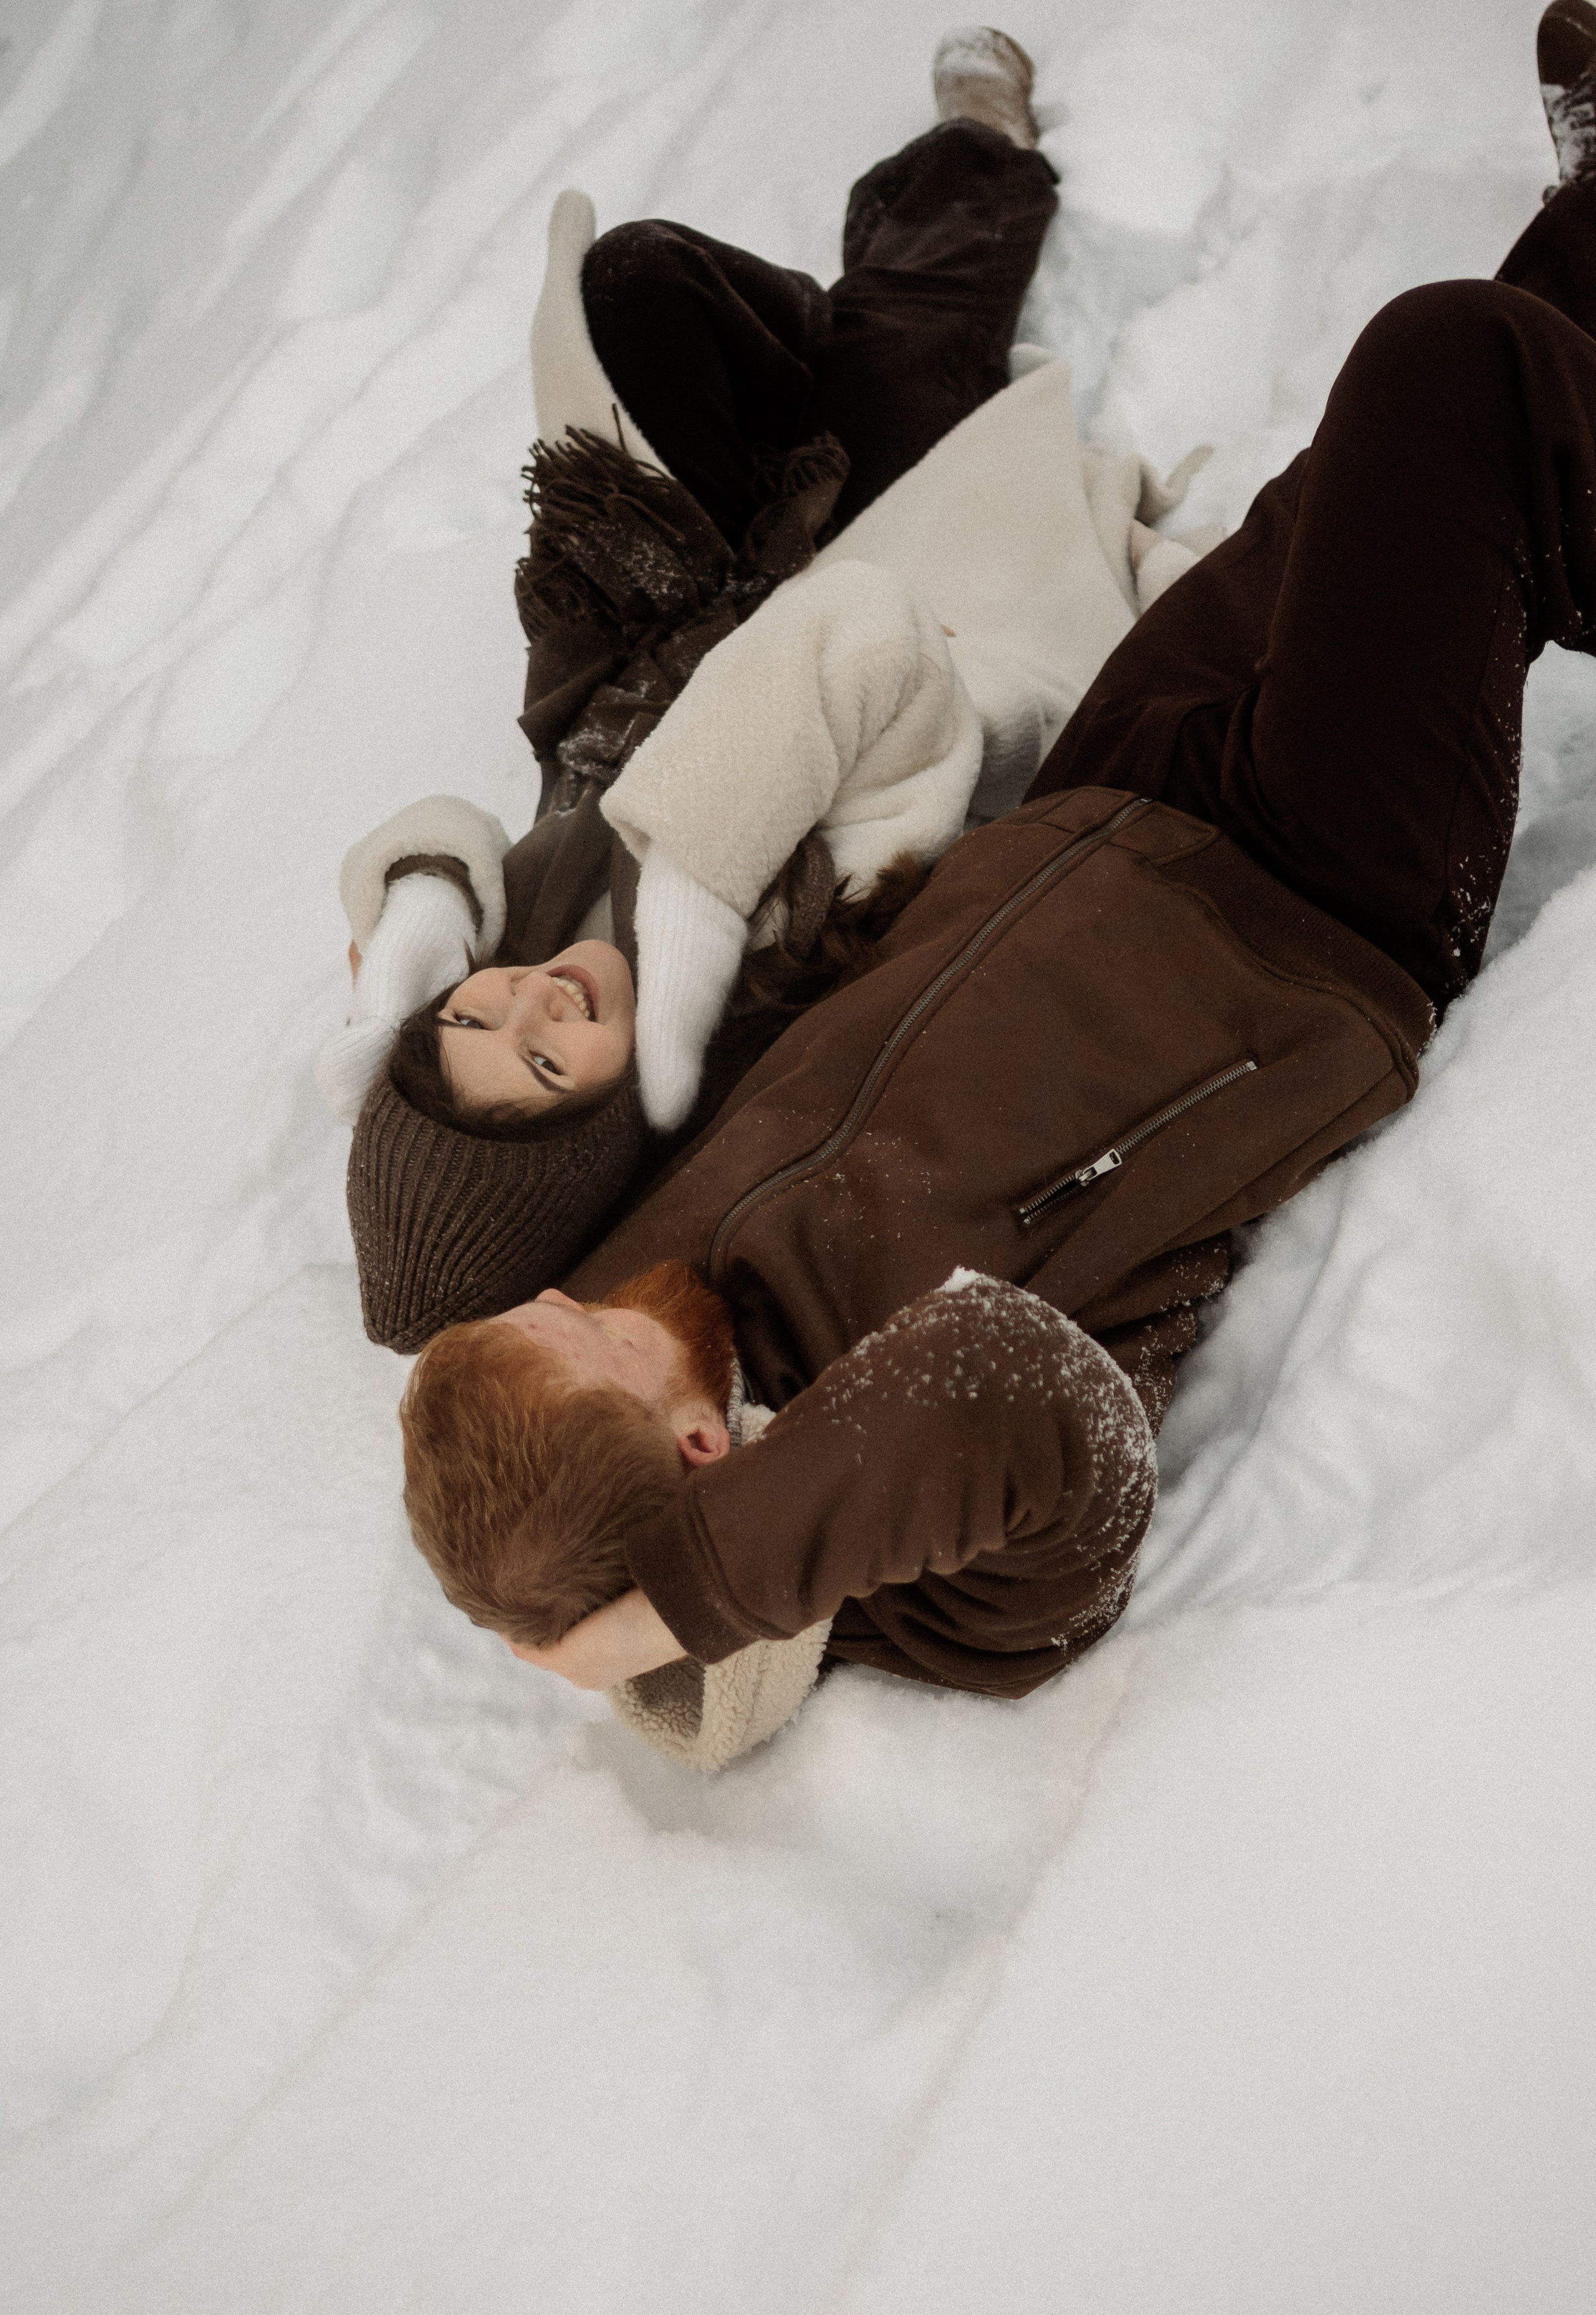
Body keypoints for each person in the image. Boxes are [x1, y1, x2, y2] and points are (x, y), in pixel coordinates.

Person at [395, 3, 1596, 1771]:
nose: (578, 1285)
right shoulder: (950, 1571)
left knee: (1399, 456)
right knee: (1455, 377)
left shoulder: (641, 1304)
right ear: (711, 1468)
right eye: (570, 1334)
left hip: (1113, 790)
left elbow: (429, 1197)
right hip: (1317, 911)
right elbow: (1032, 1414)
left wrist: (415, 918)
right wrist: (704, 1591)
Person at [318, 28, 1214, 1352]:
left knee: (633, 290)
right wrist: (698, 867)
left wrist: (417, 911)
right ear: (602, 1127)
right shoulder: (792, 950)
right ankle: (964, 181)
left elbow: (450, 834)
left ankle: (839, 350)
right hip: (924, 563)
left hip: (741, 580)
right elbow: (868, 637)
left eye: (473, 1010)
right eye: (546, 1057)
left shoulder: (547, 946)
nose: (534, 997)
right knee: (915, 336)